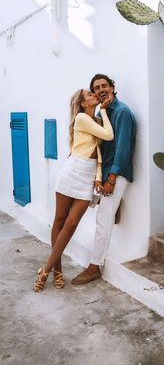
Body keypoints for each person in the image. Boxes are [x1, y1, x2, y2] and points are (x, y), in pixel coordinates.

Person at [33, 88, 114, 292]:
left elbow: (98, 152)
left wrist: (97, 177)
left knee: (71, 223)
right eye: (89, 94)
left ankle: (46, 268)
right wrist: (104, 110)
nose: (94, 94)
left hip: (86, 177)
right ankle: (55, 270)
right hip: (72, 172)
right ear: (84, 103)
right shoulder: (81, 118)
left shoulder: (94, 121)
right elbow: (108, 135)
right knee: (59, 221)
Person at [71, 74, 136, 285]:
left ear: (112, 87)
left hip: (116, 175)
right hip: (104, 175)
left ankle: (94, 267)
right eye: (96, 88)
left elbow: (122, 149)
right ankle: (111, 205)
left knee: (102, 220)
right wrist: (99, 177)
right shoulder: (103, 111)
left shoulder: (123, 112)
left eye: (104, 86)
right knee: (85, 205)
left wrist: (111, 179)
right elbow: (101, 147)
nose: (100, 90)